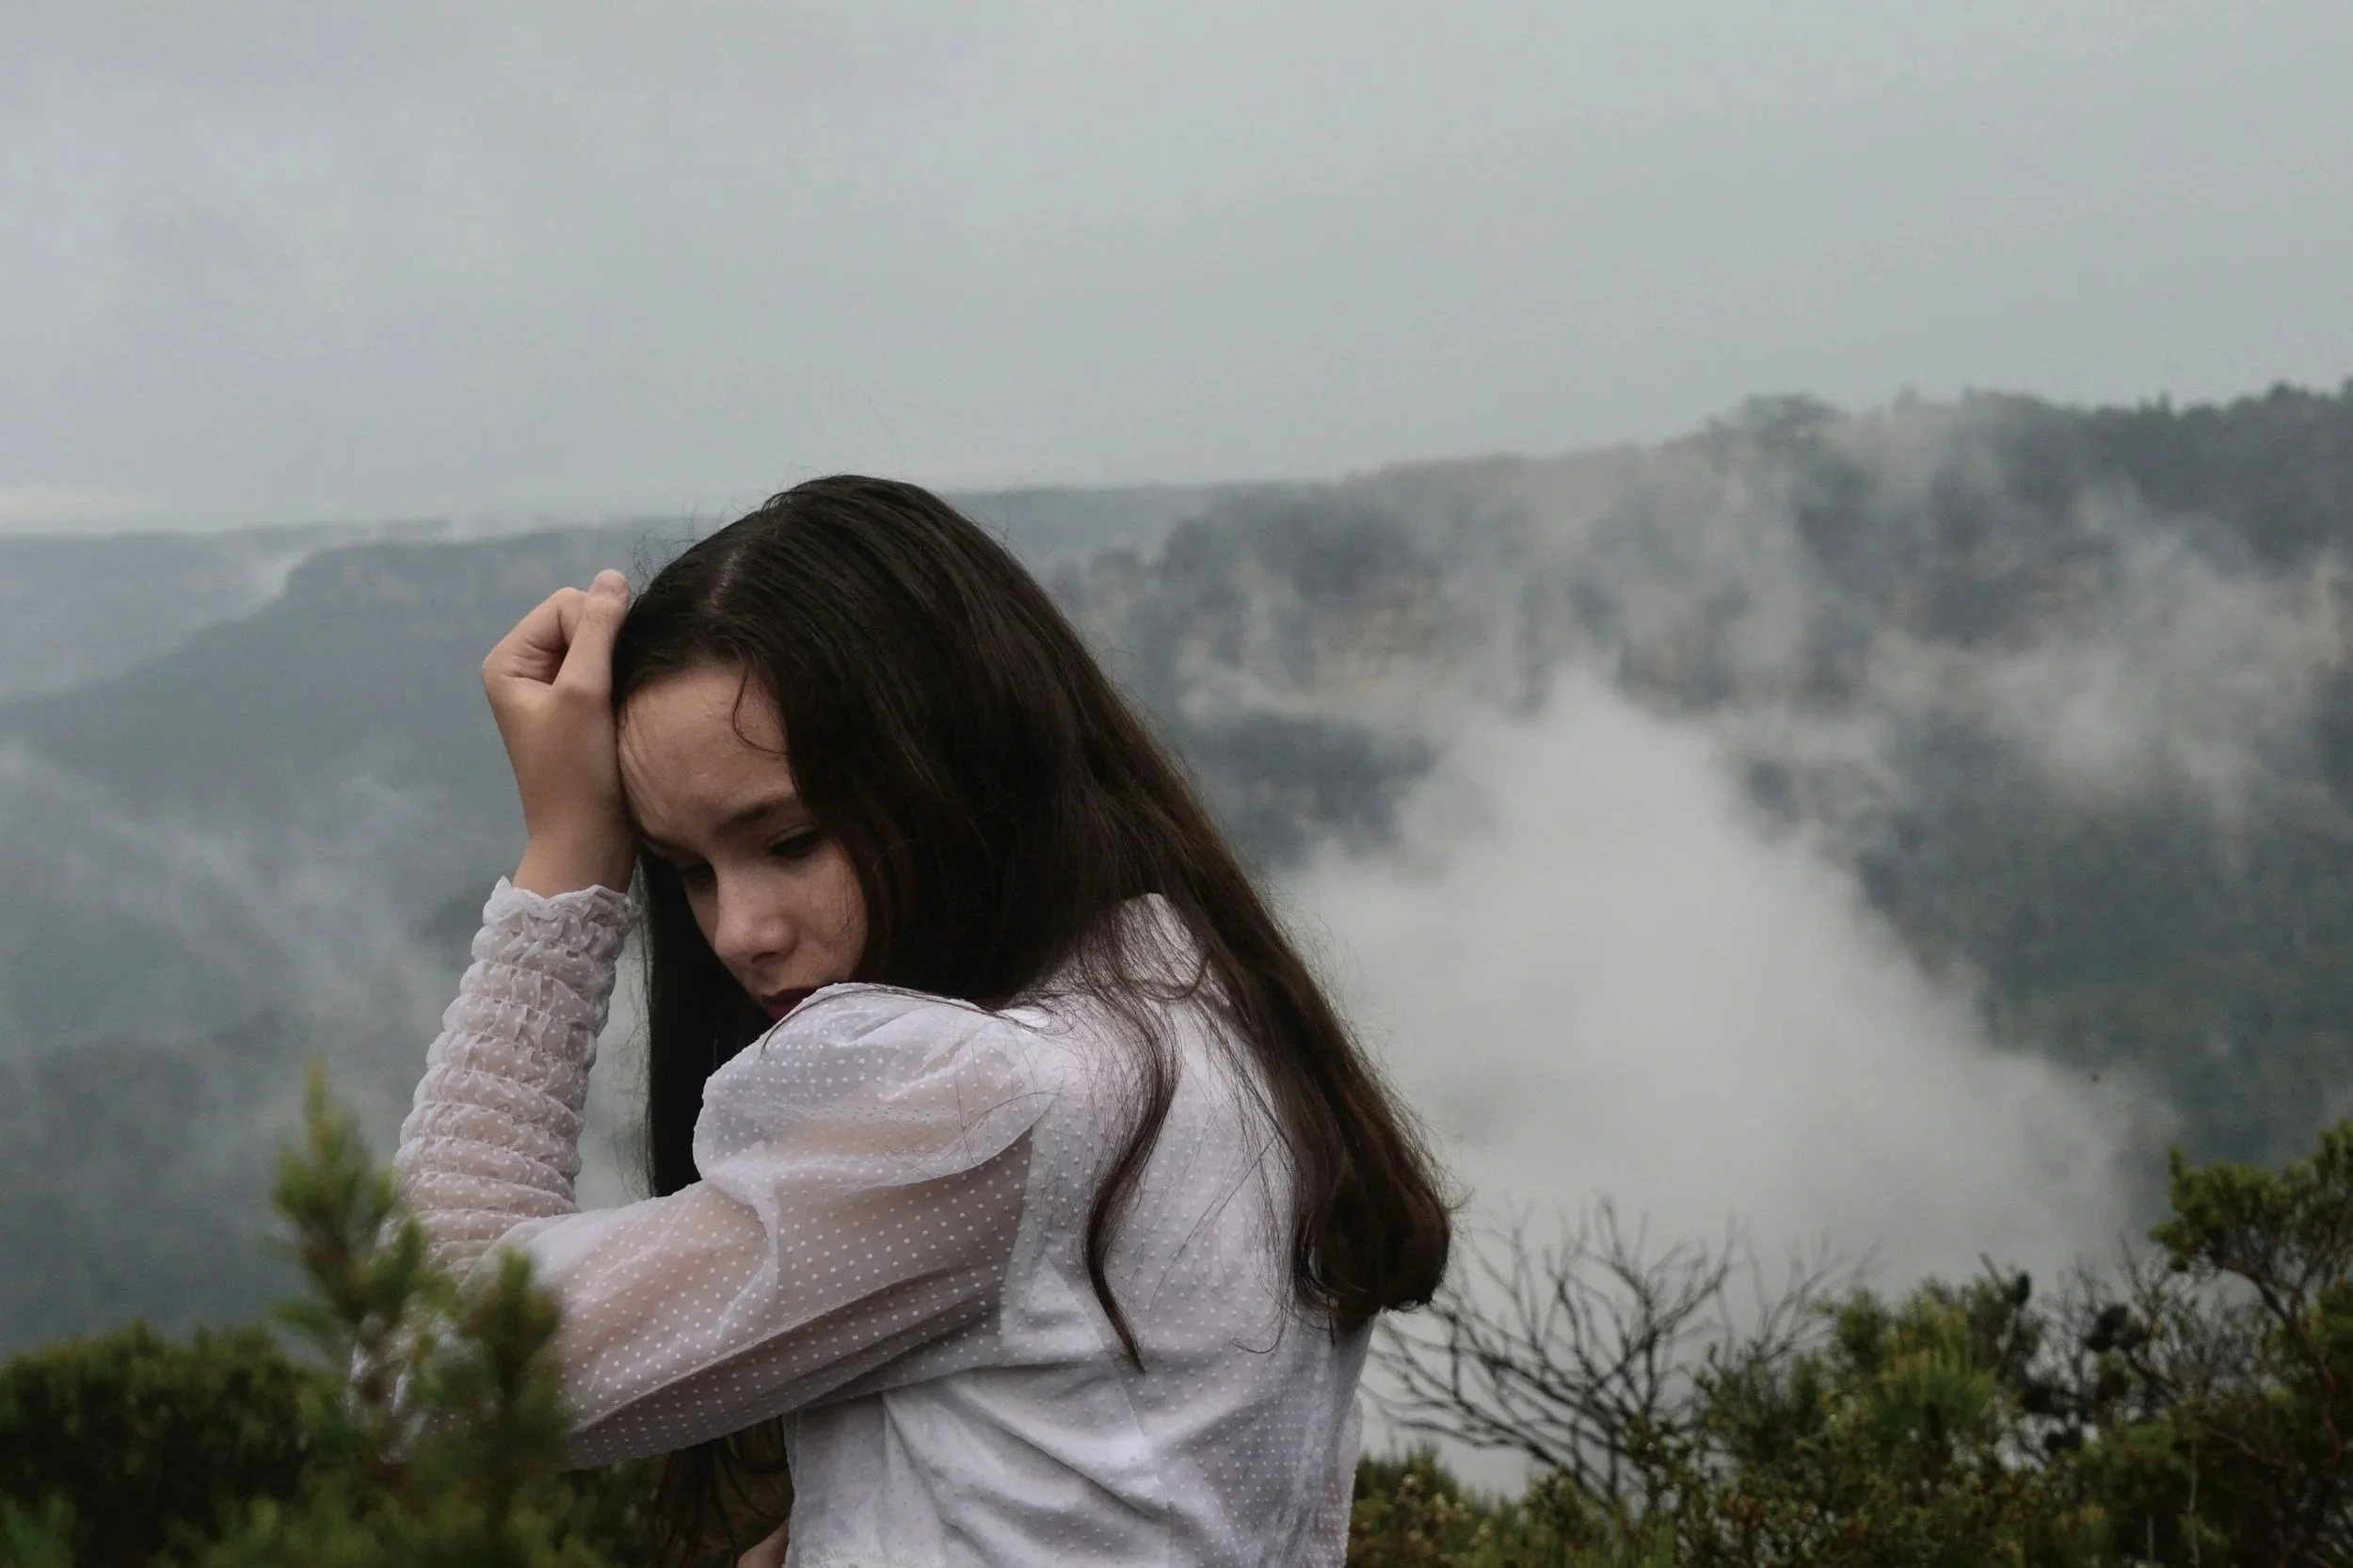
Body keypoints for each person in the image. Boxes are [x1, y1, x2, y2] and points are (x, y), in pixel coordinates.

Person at [392, 476, 1453, 1567]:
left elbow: (431, 1361)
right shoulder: (1190, 1006)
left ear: (956, 772)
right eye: (684, 871)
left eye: (792, 840)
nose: (739, 932)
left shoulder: (993, 1107)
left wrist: (568, 860)